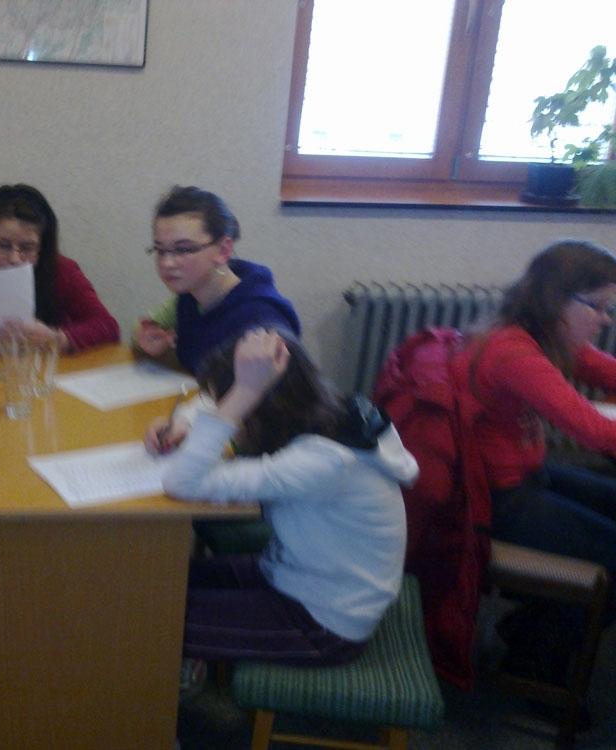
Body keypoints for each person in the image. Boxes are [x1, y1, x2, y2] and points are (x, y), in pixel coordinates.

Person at [148, 328, 414, 675]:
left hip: (323, 622)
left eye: (236, 404)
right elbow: (210, 401)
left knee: (150, 620)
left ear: (259, 404)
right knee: (162, 580)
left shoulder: (323, 463)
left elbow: (181, 482)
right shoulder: (325, 415)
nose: (231, 417)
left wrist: (243, 392)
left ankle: (175, 682)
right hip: (291, 574)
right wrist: (185, 421)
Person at [449, 239, 616, 677]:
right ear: (559, 301)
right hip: (501, 502)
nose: (605, 319)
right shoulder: (515, 353)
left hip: (527, 476)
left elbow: (605, 370)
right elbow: (595, 432)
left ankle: (532, 629)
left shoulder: (539, 333)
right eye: (598, 307)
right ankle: (535, 654)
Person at [134, 186, 301, 374]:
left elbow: (274, 390)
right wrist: (150, 341)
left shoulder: (260, 321)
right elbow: (142, 331)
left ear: (223, 250)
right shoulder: (190, 295)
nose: (167, 263)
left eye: (183, 249)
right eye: (160, 250)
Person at [0, 183, 120, 352]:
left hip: (47, 369)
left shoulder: (62, 271)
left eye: (26, 248)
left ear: (42, 248)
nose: (14, 258)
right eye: (4, 245)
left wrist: (57, 338)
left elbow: (108, 326)